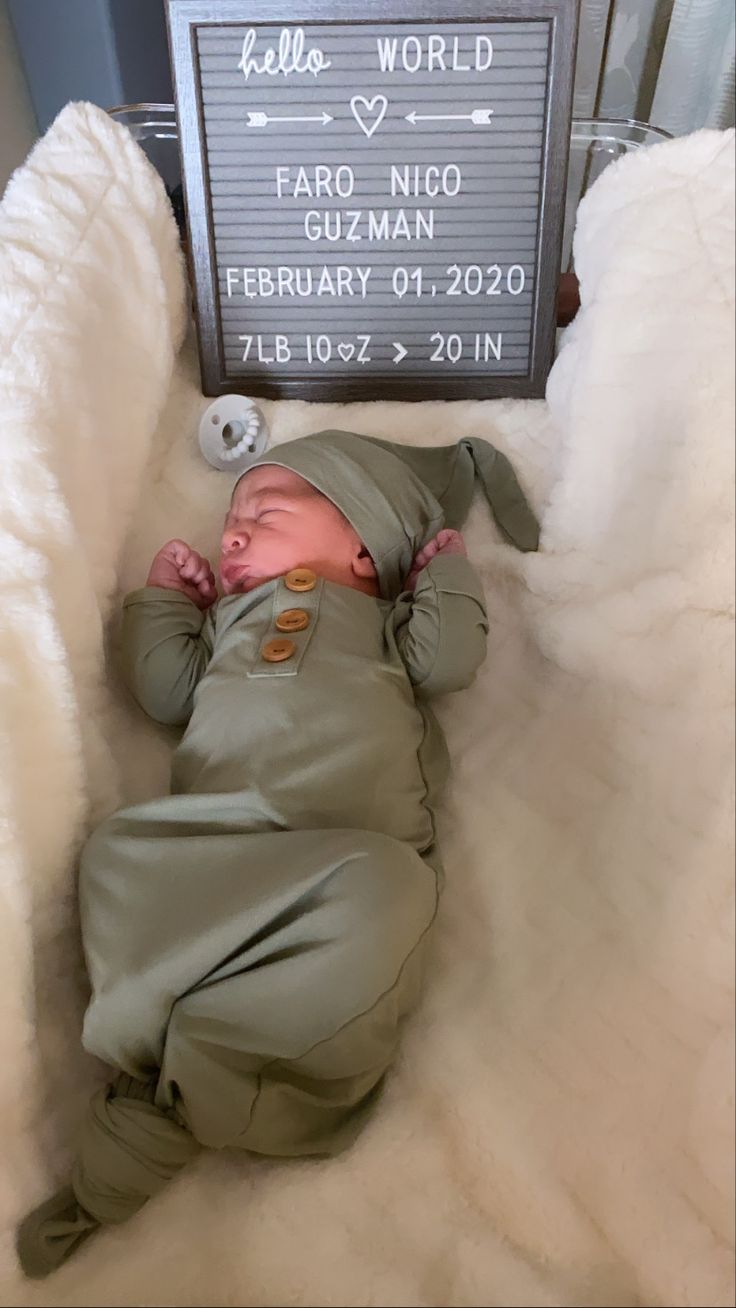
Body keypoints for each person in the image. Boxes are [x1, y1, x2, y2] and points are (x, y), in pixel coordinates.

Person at [18, 428, 539, 1278]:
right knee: (114, 851)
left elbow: (450, 659)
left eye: (264, 508)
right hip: (216, 844)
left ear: (365, 548)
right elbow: (162, 690)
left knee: (390, 896)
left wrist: (443, 572)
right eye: (231, 518)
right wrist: (166, 606)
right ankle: (172, 1021)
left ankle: (200, 1064)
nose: (231, 532)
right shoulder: (226, 628)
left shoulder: (384, 629)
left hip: (335, 868)